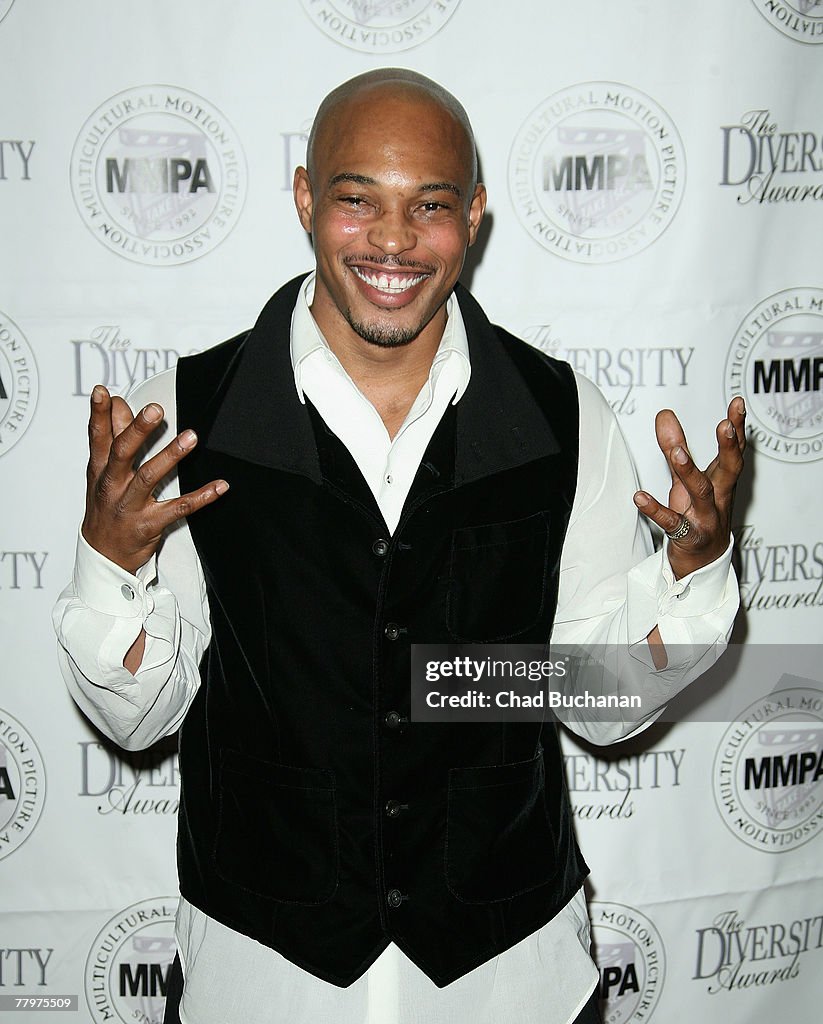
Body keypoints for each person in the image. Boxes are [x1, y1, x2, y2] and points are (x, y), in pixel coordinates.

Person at [53, 69, 745, 1024]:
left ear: (475, 212)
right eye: (355, 199)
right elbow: (138, 722)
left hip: (515, 983)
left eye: (429, 205)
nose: (391, 238)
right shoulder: (190, 420)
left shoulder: (560, 415)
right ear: (304, 197)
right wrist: (111, 563)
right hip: (262, 985)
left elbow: (597, 702)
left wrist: (688, 574)